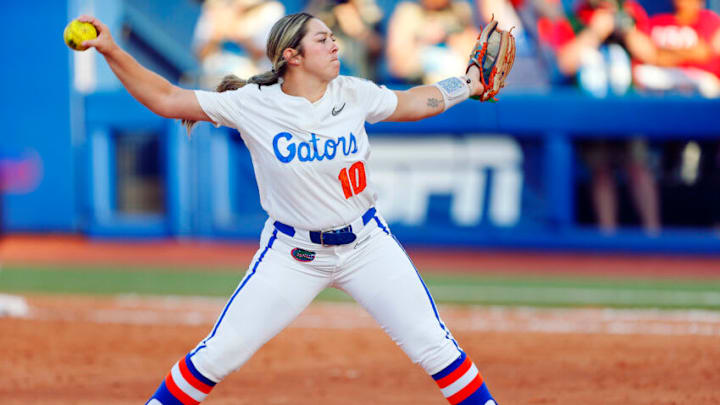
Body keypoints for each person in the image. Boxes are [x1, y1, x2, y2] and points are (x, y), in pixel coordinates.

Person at [76, 12, 502, 405]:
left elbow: (413, 103)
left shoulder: (353, 93)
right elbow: (166, 99)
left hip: (367, 245)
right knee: (220, 353)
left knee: (434, 345)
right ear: (291, 56)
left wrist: (466, 84)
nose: (335, 45)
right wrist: (112, 50)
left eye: (333, 37)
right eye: (322, 39)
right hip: (294, 254)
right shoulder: (252, 103)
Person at [192, 0, 285, 89]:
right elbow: (201, 54)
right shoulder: (216, 6)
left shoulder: (272, 9)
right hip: (214, 84)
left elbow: (263, 54)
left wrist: (233, 29)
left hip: (250, 85)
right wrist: (216, 34)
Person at [385, 0, 479, 84]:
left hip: (457, 85)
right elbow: (396, 66)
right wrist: (423, 41)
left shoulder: (460, 10)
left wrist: (453, 39)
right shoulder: (408, 12)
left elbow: (475, 55)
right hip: (417, 84)